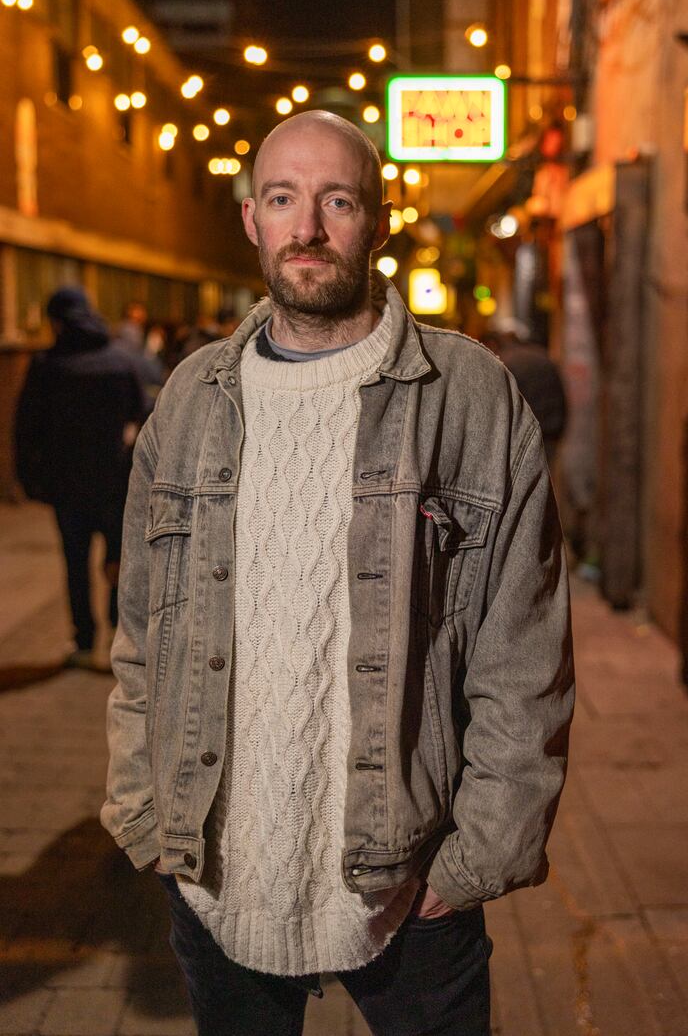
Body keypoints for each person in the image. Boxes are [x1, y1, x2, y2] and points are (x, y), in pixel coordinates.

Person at [101, 111, 574, 1035]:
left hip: (411, 882)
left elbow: (525, 651)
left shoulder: (469, 398)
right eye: (282, 199)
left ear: (379, 219)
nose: (307, 226)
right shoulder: (192, 400)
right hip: (216, 877)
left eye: (337, 200)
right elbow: (142, 633)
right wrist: (141, 809)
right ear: (252, 220)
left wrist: (477, 855)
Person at [14, 286, 146, 669]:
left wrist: (30, 478)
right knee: (119, 560)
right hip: (115, 483)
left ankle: (84, 641)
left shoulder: (46, 367)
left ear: (56, 321)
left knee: (75, 564)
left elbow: (27, 429)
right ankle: (119, 636)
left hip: (67, 486)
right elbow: (141, 417)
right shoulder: (120, 361)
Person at [486, 322, 567, 465]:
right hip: (548, 431)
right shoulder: (543, 356)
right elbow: (560, 396)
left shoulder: (503, 361)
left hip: (519, 435)